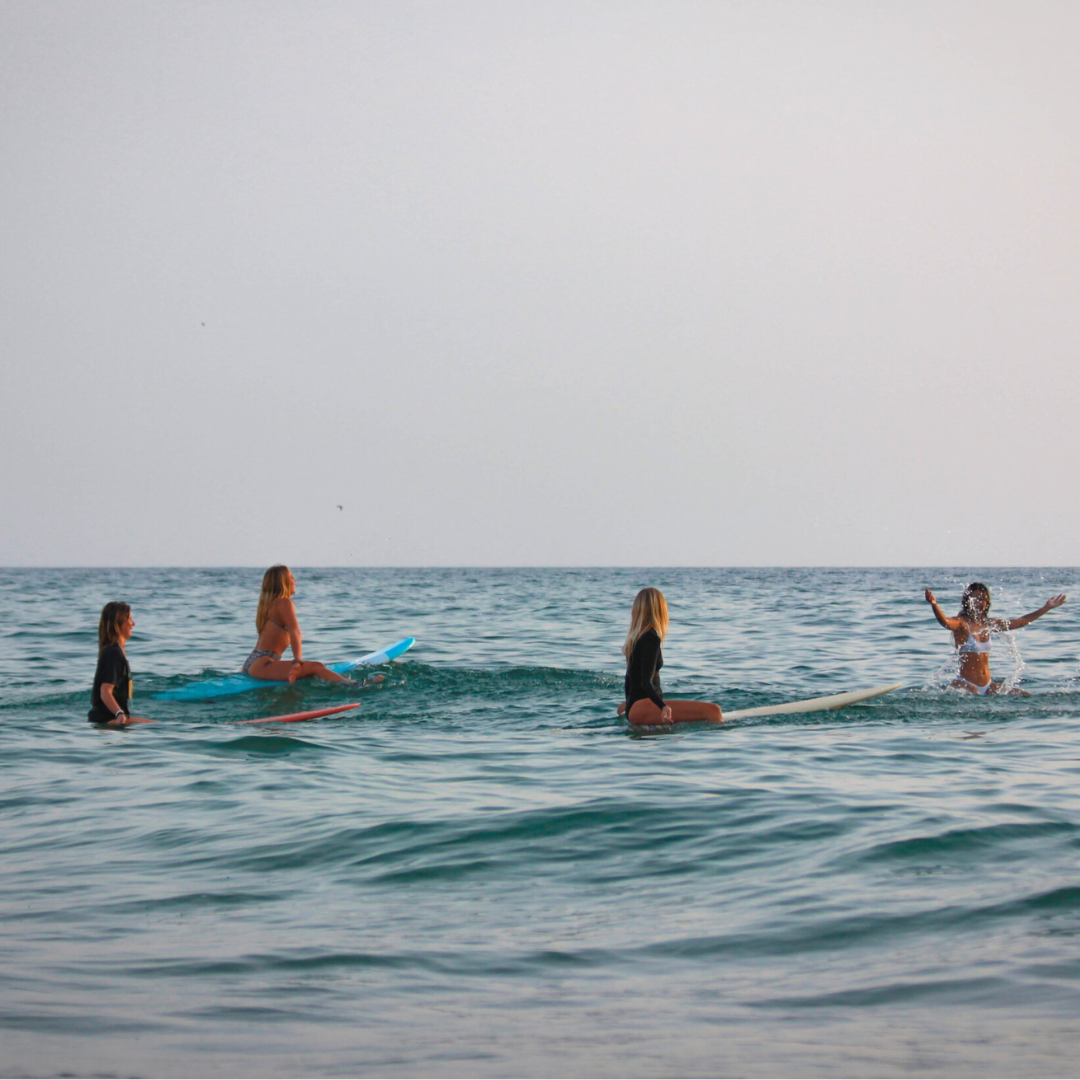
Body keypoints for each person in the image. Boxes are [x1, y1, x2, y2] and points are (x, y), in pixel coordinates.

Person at [925, 583, 1066, 695]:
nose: (978, 602)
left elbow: (1019, 622)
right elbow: (945, 622)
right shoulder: (961, 624)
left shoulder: (989, 624)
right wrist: (934, 605)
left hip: (987, 686)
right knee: (975, 695)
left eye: (982, 599)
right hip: (964, 684)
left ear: (987, 603)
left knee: (1025, 695)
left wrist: (1046, 608)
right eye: (975, 599)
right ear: (967, 602)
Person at [617, 587, 723, 725]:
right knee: (713, 711)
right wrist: (663, 707)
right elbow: (645, 682)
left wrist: (629, 705)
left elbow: (630, 678)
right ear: (659, 610)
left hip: (636, 706)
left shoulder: (635, 639)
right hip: (644, 706)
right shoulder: (651, 638)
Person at [243, 565, 359, 685]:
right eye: (292, 577)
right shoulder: (284, 602)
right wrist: (297, 661)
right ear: (283, 582)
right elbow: (295, 632)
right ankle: (353, 684)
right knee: (316, 667)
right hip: (263, 663)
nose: (295, 581)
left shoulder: (267, 606)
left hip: (252, 661)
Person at [88, 602, 153, 725]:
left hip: (110, 718)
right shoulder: (113, 653)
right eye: (130, 619)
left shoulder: (115, 652)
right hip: (107, 720)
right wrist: (119, 713)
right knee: (157, 727)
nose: (133, 623)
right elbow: (105, 691)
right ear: (118, 623)